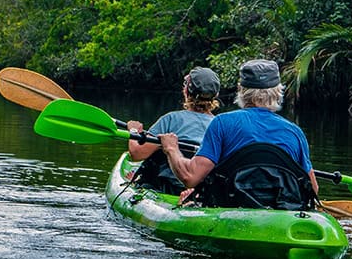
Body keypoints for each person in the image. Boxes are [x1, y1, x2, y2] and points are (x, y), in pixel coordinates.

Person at [159, 59, 319, 202]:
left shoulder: (222, 123)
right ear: (278, 91)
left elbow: (190, 177)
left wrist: (172, 149)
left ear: (241, 89)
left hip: (231, 207)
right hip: (283, 209)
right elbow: (312, 188)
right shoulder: (295, 132)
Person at [126, 66, 221, 194]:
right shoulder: (220, 125)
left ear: (186, 91)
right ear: (215, 95)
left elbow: (137, 154)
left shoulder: (171, 120)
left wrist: (133, 131)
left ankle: (139, 181)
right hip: (203, 190)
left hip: (169, 187)